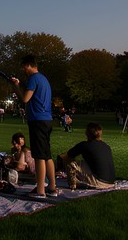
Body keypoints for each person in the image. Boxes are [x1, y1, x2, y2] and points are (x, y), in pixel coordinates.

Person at [11, 54, 58, 198]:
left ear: (29, 65)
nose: (23, 69)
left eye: (24, 66)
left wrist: (16, 86)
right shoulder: (43, 79)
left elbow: (25, 98)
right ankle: (52, 187)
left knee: (39, 156)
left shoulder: (33, 78)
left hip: (38, 121)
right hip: (47, 120)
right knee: (47, 155)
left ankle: (40, 191)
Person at [58, 122, 116, 189]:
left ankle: (73, 184)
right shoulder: (106, 146)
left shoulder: (84, 145)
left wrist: (59, 163)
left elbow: (66, 156)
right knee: (83, 163)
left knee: (71, 164)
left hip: (99, 183)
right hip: (111, 183)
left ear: (87, 133)